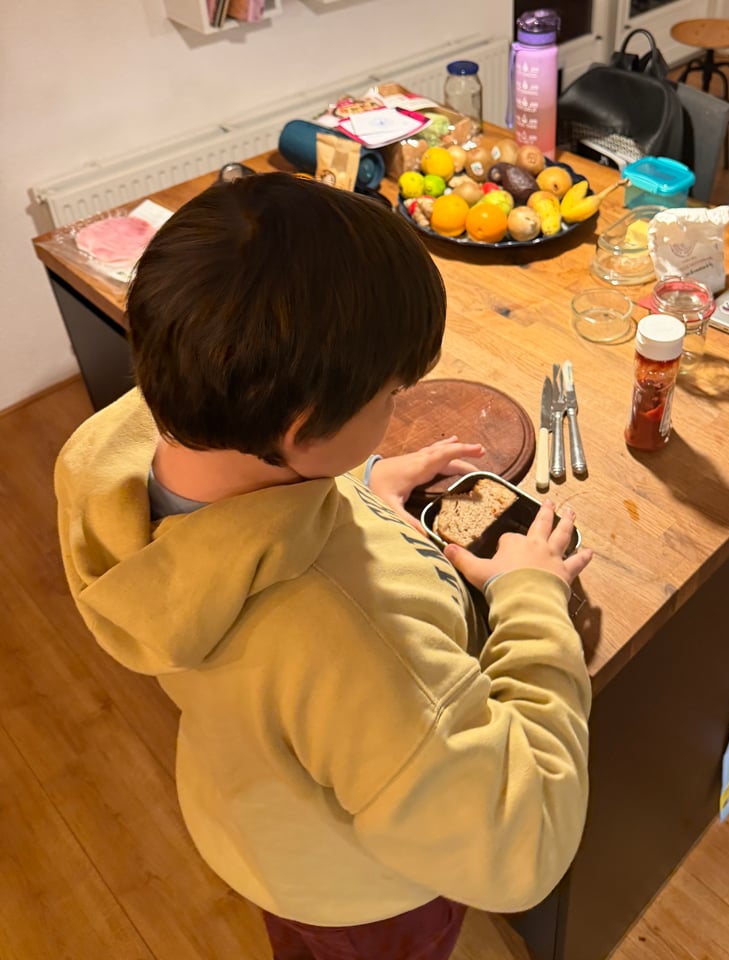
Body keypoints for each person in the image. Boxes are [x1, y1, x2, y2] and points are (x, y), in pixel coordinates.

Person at [54, 172, 593, 960]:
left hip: (262, 830)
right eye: (391, 397)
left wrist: (357, 487)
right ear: (303, 433)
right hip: (368, 899)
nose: (395, 412)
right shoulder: (347, 636)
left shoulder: (106, 462)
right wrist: (531, 596)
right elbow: (524, 845)